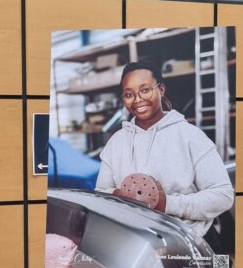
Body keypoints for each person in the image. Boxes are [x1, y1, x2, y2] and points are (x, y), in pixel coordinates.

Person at [95, 61, 234, 245]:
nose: (137, 99)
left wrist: (166, 204)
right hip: (136, 243)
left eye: (145, 90)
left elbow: (223, 196)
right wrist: (119, 196)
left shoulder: (190, 136)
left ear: (161, 89)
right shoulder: (116, 142)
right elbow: (100, 193)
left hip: (190, 242)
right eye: (129, 94)